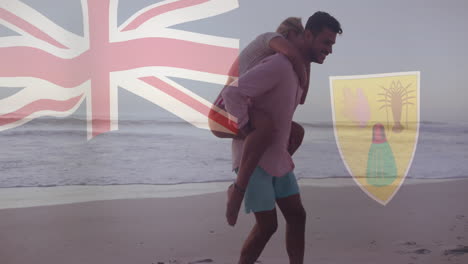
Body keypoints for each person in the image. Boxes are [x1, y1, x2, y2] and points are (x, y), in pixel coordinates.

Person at [222, 11, 343, 264]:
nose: (330, 49)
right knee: (267, 227)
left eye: (332, 44)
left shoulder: (298, 72)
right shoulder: (280, 65)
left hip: (277, 160)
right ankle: (236, 192)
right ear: (307, 35)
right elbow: (232, 94)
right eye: (326, 42)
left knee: (297, 216)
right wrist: (248, 128)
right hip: (253, 162)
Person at [208, 17, 309, 226]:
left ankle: (268, 165)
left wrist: (306, 63)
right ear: (290, 35)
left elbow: (303, 97)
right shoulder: (269, 39)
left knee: (296, 132)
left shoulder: (275, 63)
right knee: (266, 130)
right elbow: (292, 54)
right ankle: (236, 190)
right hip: (222, 110)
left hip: (240, 107)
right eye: (301, 37)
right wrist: (301, 60)